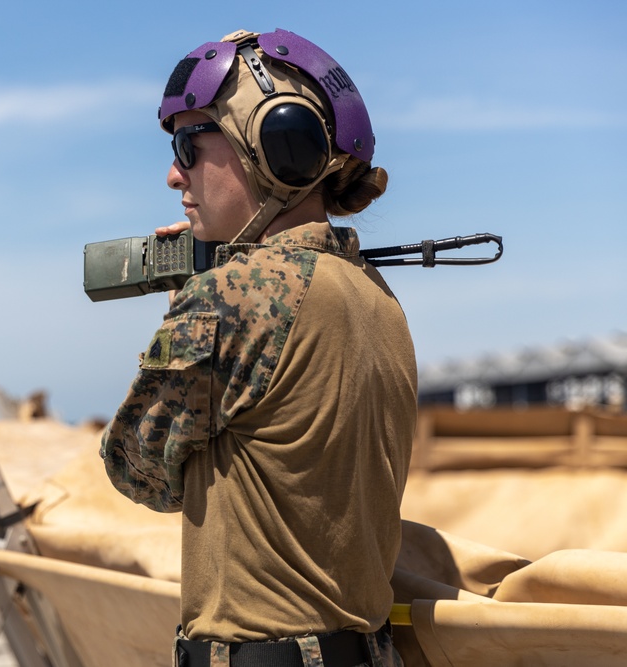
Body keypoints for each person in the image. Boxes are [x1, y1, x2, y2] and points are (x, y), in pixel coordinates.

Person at [99, 28, 418, 667]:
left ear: (276, 149)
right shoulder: (377, 297)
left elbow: (137, 469)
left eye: (189, 146)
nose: (173, 174)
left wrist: (192, 299)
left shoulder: (231, 296)